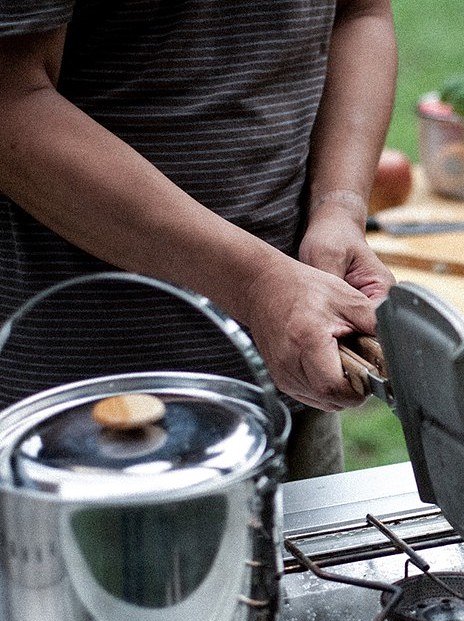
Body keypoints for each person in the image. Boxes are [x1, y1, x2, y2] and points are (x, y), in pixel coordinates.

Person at [0, 0, 398, 480]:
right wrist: (255, 284)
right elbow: (11, 101)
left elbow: (360, 15)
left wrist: (340, 206)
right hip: (71, 407)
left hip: (290, 388)